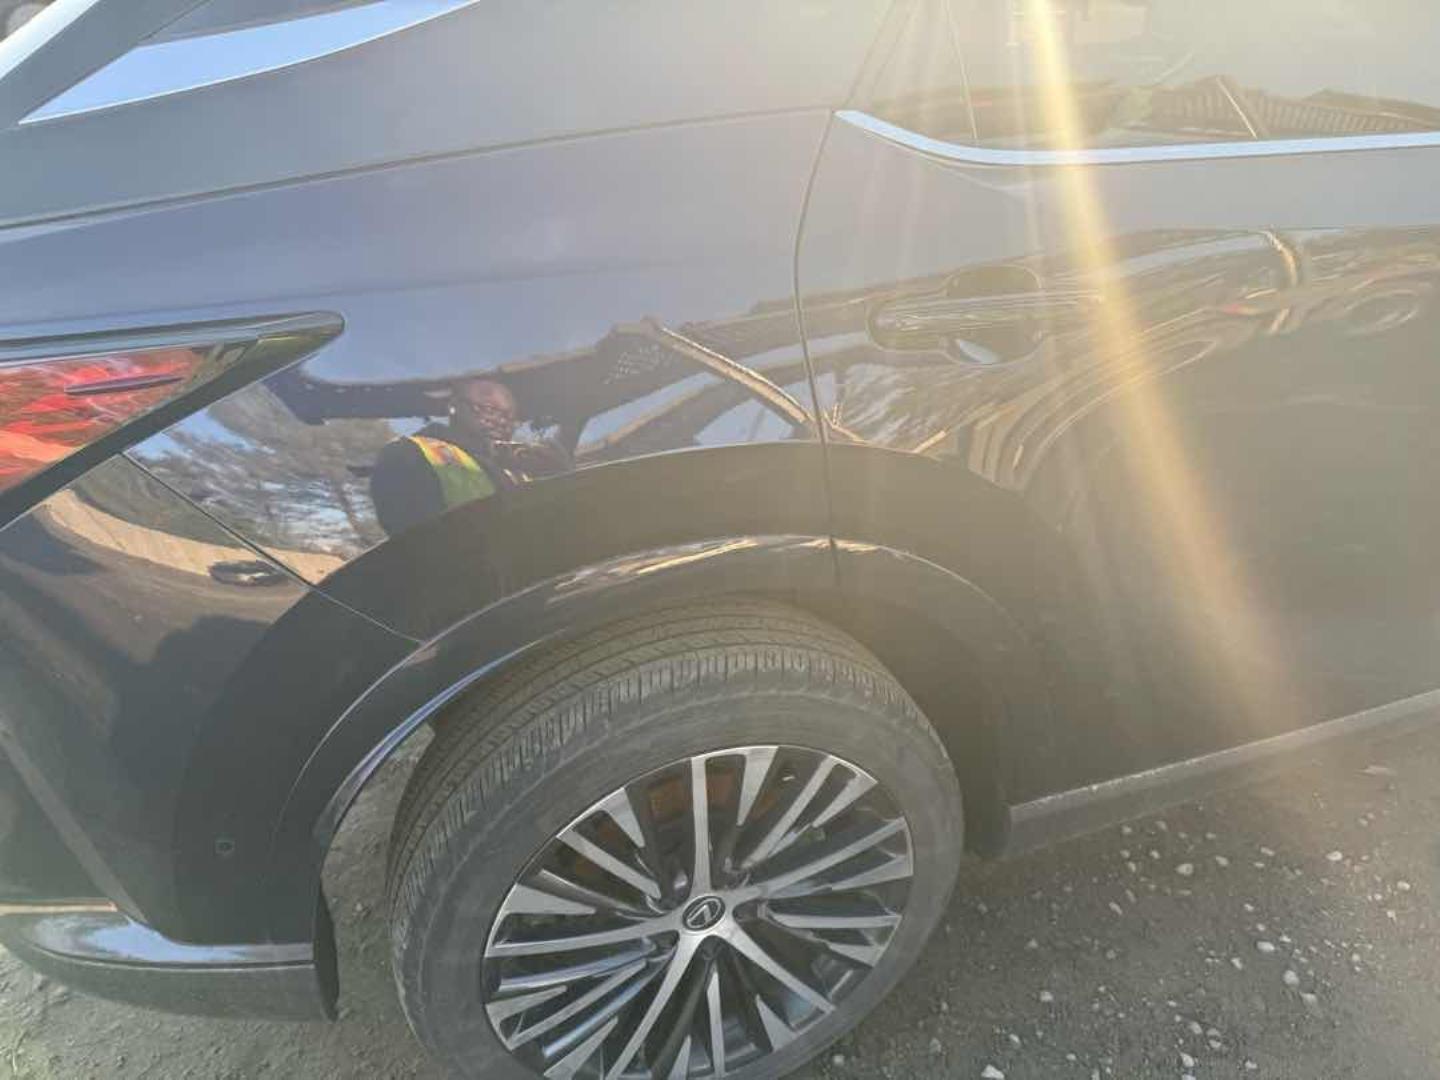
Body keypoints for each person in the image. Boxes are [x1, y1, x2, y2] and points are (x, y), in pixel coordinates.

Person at [370, 377, 569, 537]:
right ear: (454, 406)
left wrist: (558, 478)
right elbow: (412, 541)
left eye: (509, 415)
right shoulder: (409, 453)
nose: (500, 421)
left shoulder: (518, 462)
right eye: (488, 409)